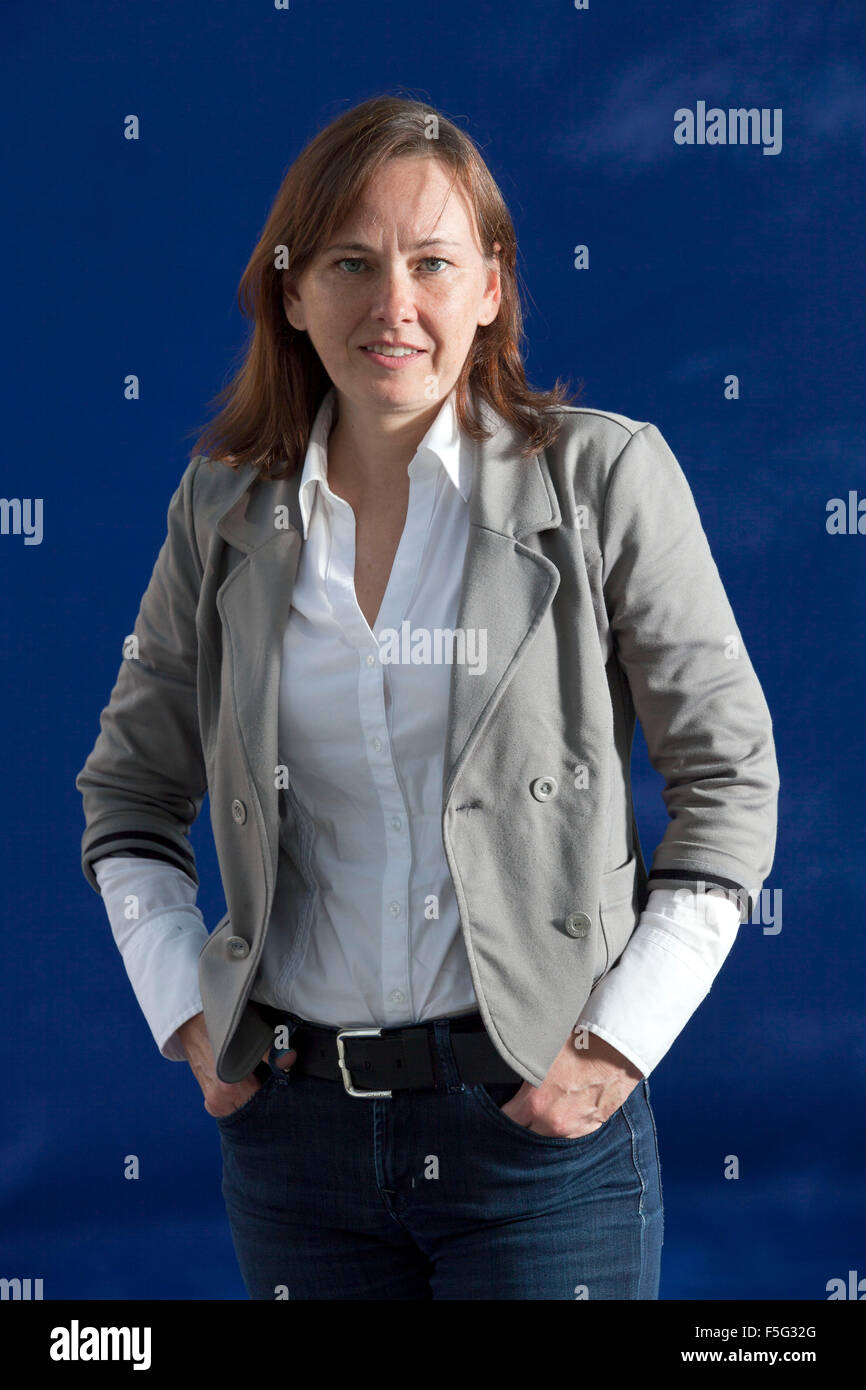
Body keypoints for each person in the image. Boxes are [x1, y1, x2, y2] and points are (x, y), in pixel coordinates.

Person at [75, 93, 779, 1301]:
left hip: (533, 1137)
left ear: (490, 285)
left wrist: (611, 1048)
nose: (392, 305)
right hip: (291, 1146)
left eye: (431, 262)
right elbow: (128, 797)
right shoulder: (221, 509)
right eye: (350, 262)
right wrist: (192, 1022)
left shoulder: (605, 474)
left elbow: (729, 780)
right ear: (291, 291)